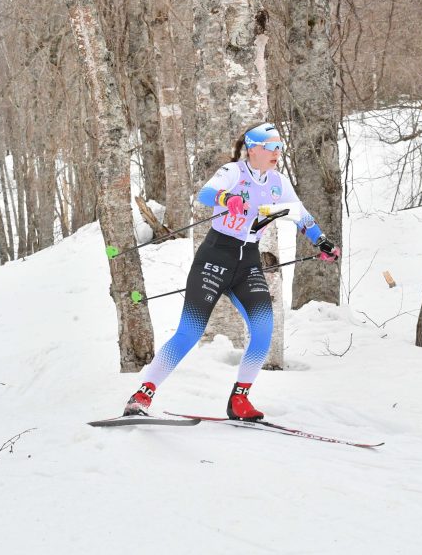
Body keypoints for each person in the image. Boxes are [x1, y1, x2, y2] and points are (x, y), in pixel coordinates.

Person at [122, 122, 341, 420]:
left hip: (248, 262)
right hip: (215, 256)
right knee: (190, 331)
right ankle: (141, 395)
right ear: (253, 149)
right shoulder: (233, 172)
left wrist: (322, 242)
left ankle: (239, 399)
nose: (277, 152)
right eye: (271, 147)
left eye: (279, 146)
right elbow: (205, 194)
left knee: (264, 331)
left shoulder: (278, 181)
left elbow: (301, 215)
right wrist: (228, 199)